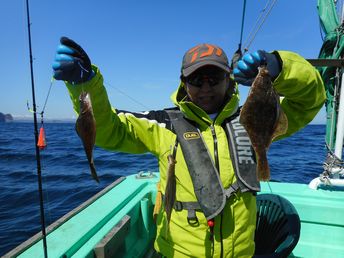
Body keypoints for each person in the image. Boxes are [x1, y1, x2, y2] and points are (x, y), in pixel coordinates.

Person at [52, 37, 325, 257]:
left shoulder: (248, 121)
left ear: (230, 80)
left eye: (214, 78)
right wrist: (85, 84)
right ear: (183, 83)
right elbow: (108, 130)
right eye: (196, 80)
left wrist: (280, 66)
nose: (206, 87)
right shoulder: (163, 125)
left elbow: (310, 100)